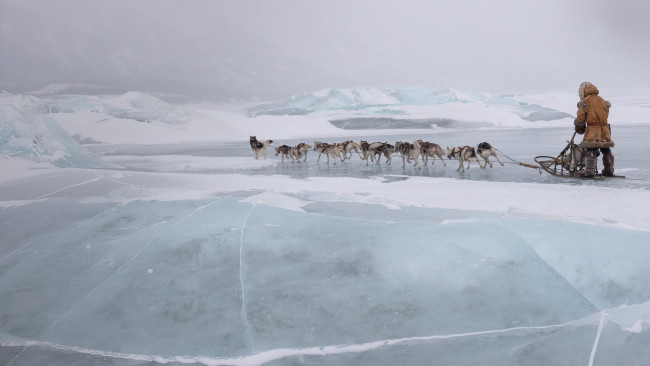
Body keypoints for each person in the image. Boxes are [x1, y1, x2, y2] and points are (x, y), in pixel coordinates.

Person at [574, 81, 615, 177]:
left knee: (591, 149)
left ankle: (589, 171)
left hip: (593, 130)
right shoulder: (602, 101)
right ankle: (609, 170)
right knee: (606, 149)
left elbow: (580, 119)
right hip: (605, 130)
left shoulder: (584, 102)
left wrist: (579, 128)